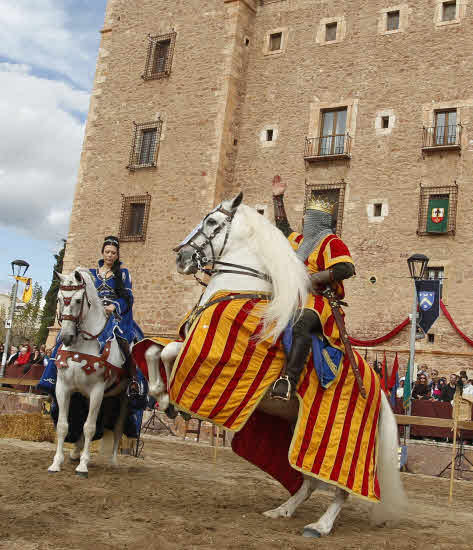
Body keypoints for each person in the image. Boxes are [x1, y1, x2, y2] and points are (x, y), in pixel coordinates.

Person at [270, 175, 355, 399]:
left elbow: (346, 268)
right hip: (295, 297)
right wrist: (278, 198)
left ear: (317, 221)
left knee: (303, 320)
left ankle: (289, 380)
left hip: (322, 301)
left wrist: (309, 279)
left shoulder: (332, 242)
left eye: (307, 219)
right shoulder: (301, 242)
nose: (304, 222)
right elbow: (283, 229)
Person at [39, 235, 144, 399]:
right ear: (102, 253)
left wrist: (113, 306)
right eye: (107, 252)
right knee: (63, 336)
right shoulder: (91, 274)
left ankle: (133, 381)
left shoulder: (123, 273)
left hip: (113, 315)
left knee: (125, 341)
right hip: (92, 313)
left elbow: (127, 298)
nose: (110, 255)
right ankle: (50, 377)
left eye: (113, 253)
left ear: (117, 255)